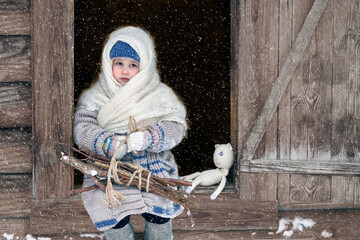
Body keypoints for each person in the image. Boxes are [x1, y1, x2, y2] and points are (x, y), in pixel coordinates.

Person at [73, 26, 188, 240]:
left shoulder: (158, 95)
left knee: (160, 212)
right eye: (119, 64)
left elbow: (176, 127)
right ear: (109, 65)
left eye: (133, 65)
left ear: (145, 67)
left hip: (153, 168)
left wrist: (150, 137)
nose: (124, 71)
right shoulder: (96, 96)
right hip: (110, 170)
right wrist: (107, 143)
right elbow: (82, 128)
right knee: (112, 211)